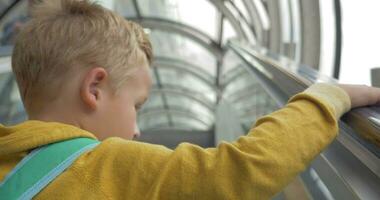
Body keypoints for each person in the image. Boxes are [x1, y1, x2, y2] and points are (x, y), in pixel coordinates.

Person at [0, 0, 379, 199]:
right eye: (136, 105)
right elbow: (236, 173)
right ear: (94, 89)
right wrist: (326, 97)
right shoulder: (103, 165)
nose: (135, 130)